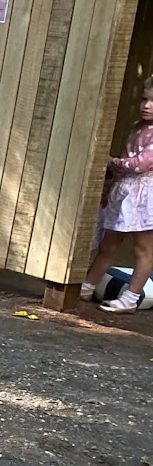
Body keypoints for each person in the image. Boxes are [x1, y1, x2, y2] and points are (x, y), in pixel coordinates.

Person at [81, 76, 153, 311]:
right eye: (144, 99)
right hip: (126, 192)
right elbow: (128, 163)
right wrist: (112, 184)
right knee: (108, 244)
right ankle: (87, 286)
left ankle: (131, 297)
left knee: (142, 248)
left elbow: (141, 164)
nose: (147, 105)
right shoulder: (136, 127)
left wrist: (111, 162)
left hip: (145, 194)